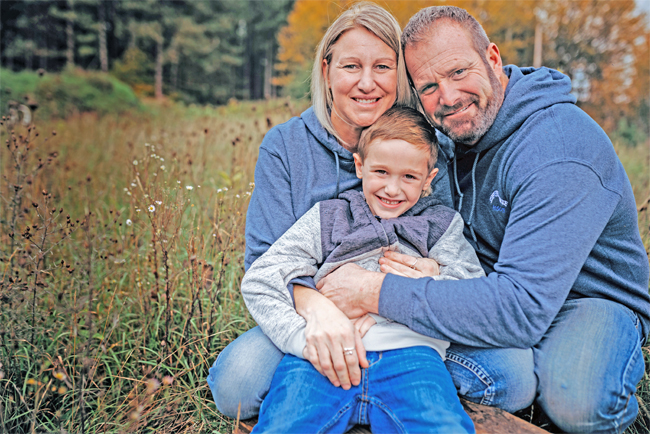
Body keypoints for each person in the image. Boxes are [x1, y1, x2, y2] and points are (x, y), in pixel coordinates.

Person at [316, 6, 650, 433]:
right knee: (405, 362)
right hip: (485, 288)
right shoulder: (447, 136)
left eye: (459, 71)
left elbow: (523, 307)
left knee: (578, 401)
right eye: (429, 86)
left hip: (582, 300)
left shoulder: (559, 149)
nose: (449, 96)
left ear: (492, 58)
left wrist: (374, 291)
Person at [207, 2, 454, 419]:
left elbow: (448, 242)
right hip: (311, 308)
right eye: (351, 66)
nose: (366, 83)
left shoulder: (425, 148)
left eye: (382, 67)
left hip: (404, 321)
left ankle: (395, 386)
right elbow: (265, 262)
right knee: (238, 382)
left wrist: (431, 279)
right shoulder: (286, 147)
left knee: (513, 375)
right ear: (326, 71)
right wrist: (318, 310)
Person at [245, 106, 479, 433]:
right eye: (381, 172)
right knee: (285, 425)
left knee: (443, 427)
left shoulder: (440, 226)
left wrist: (432, 280)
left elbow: (475, 292)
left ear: (429, 179)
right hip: (320, 361)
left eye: (409, 177)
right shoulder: (330, 218)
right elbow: (263, 277)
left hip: (413, 357)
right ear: (360, 165)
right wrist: (305, 339)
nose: (392, 189)